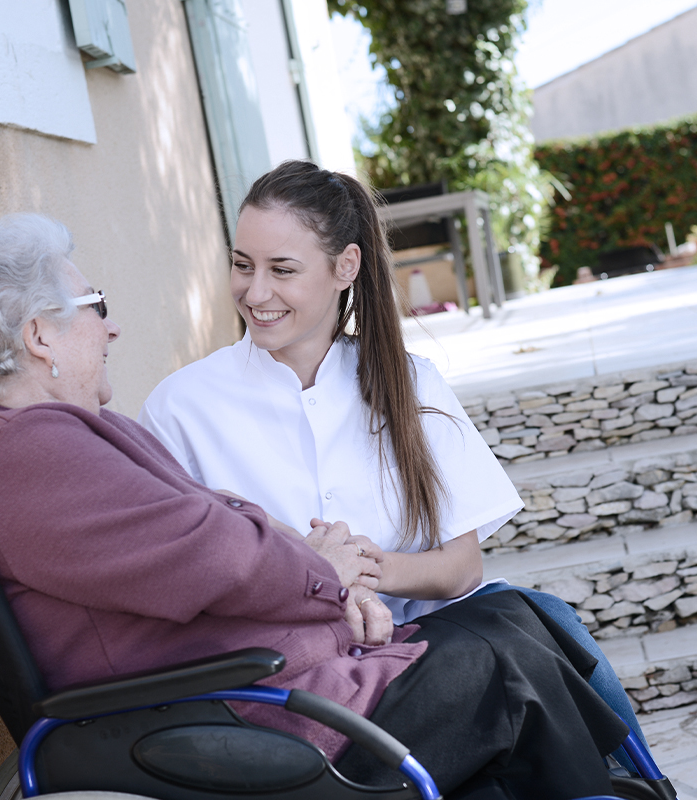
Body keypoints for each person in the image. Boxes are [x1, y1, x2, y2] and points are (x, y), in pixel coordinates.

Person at [0, 213, 631, 800]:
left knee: (512, 619)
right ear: (40, 336)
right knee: (508, 664)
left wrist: (330, 581)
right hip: (243, 714)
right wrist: (327, 575)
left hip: (257, 687)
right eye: (96, 308)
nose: (112, 327)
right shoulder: (34, 451)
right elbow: (213, 553)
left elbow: (213, 520)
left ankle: (623, 786)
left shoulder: (42, 438)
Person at [137, 159, 652, 758]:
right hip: (297, 664)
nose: (255, 292)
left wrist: (359, 567)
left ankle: (642, 789)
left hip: (430, 637)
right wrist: (316, 579)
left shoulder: (410, 382)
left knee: (549, 622)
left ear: (345, 267)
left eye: (282, 270)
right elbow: (185, 574)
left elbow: (461, 568)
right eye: (241, 265)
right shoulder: (181, 408)